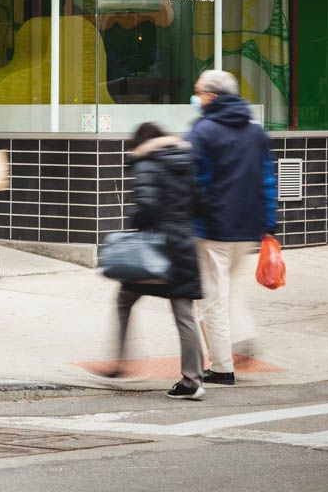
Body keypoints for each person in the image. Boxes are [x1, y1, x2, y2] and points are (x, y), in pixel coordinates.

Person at [188, 69, 277, 386]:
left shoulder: (203, 131)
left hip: (214, 230)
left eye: (198, 92)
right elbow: (268, 178)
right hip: (247, 228)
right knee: (228, 291)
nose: (196, 97)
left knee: (212, 300)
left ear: (211, 96)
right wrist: (268, 224)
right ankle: (241, 338)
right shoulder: (255, 130)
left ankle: (223, 367)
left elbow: (193, 180)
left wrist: (191, 217)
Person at [110, 123, 205, 401]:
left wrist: (134, 221)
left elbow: (147, 207)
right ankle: (192, 380)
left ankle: (120, 363)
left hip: (154, 251)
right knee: (185, 315)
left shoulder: (146, 163)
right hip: (184, 245)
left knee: (124, 301)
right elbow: (200, 203)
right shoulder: (186, 162)